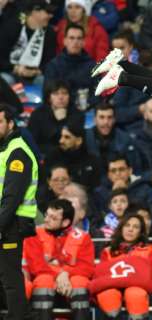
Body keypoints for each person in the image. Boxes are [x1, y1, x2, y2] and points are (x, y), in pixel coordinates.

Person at [23, 199, 94, 320]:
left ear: (65, 222)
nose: (46, 220)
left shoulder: (83, 237)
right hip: (43, 285)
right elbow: (36, 265)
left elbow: (87, 267)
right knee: (44, 280)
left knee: (80, 281)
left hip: (71, 287)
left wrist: (66, 274)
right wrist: (60, 274)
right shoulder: (33, 234)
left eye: (53, 218)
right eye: (46, 215)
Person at [0, 104, 38, 320]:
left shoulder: (17, 153)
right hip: (6, 222)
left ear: (10, 124)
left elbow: (11, 198)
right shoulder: (5, 150)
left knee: (10, 279)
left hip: (11, 225)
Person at [93, 213, 152, 319]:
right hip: (114, 288)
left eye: (135, 227)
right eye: (127, 225)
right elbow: (102, 276)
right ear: (121, 228)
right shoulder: (108, 251)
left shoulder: (150, 249)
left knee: (134, 294)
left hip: (142, 290)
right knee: (108, 295)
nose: (130, 229)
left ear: (141, 232)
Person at [0, 0, 56, 86]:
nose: (51, 16)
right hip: (9, 72)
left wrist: (36, 71)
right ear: (35, 12)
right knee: (6, 81)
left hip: (35, 74)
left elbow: (50, 61)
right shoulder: (12, 28)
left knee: (44, 81)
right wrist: (16, 68)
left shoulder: (49, 33)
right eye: (47, 12)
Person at [44, 23, 98, 111]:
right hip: (60, 110)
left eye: (79, 38)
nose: (75, 42)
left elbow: (98, 94)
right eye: (71, 38)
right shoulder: (53, 66)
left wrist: (87, 105)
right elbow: (48, 94)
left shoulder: (93, 66)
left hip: (87, 110)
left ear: (83, 42)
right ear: (64, 41)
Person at [28, 79, 83, 156]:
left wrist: (62, 121)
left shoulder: (77, 114)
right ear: (49, 97)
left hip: (71, 156)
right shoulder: (37, 115)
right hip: (44, 156)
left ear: (69, 96)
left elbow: (76, 143)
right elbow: (32, 142)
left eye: (64, 93)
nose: (61, 97)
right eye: (56, 93)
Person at [85, 102, 143, 174]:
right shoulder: (85, 138)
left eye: (109, 117)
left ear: (114, 119)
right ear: (95, 120)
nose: (106, 122)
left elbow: (135, 169)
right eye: (101, 117)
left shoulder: (125, 140)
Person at [44, 118, 102, 191]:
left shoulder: (92, 161)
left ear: (79, 141)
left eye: (67, 137)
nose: (61, 141)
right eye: (61, 136)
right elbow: (44, 184)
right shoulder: (52, 157)